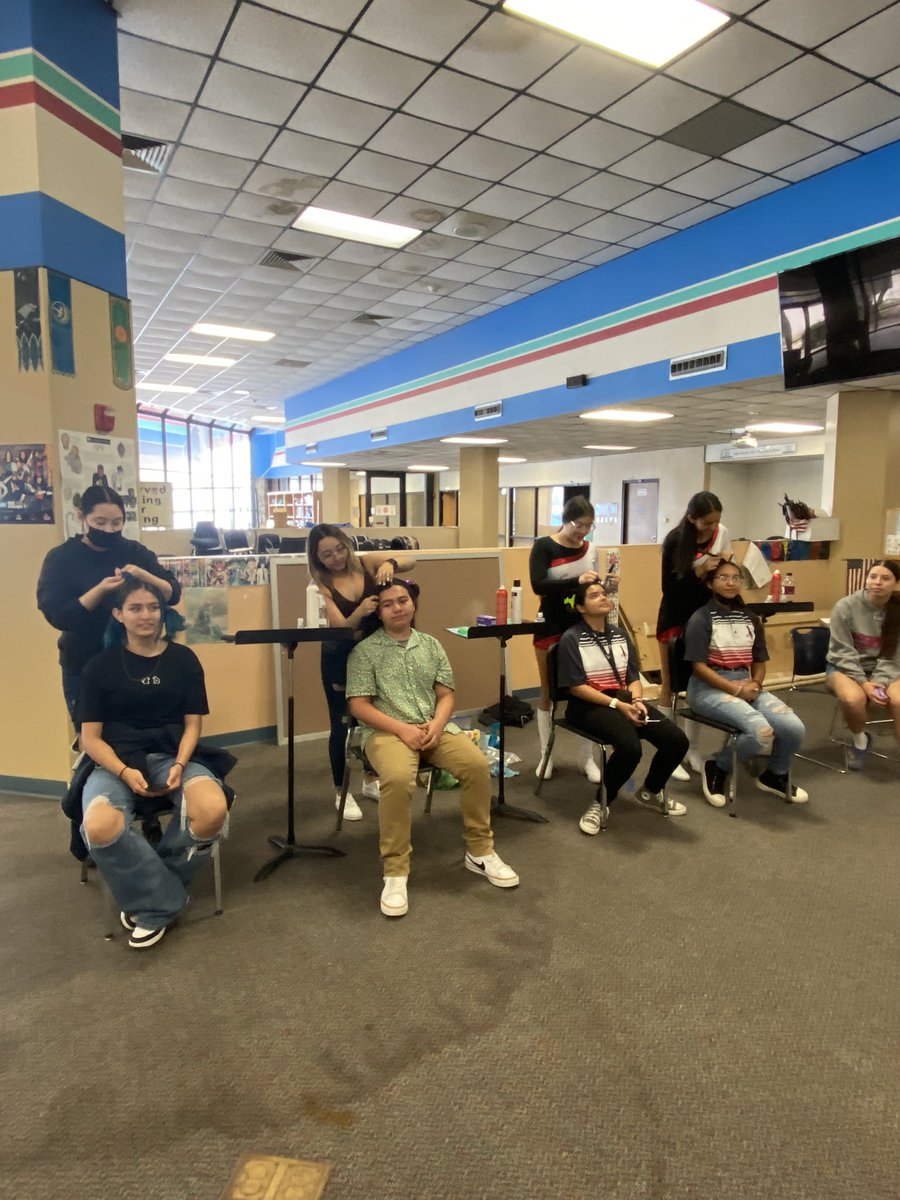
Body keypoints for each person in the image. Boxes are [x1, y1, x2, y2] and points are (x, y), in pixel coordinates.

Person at [346, 579, 519, 917]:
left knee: (475, 764)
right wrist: (402, 730)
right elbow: (359, 706)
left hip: (432, 727)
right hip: (386, 732)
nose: (398, 607)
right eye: (388, 603)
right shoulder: (365, 651)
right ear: (378, 612)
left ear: (413, 605)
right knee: (397, 778)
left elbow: (446, 694)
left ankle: (479, 850)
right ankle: (395, 869)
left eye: (403, 600)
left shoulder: (431, 645)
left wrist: (437, 726)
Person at [77, 576, 230, 949]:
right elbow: (90, 738)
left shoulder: (183, 658)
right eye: (135, 608)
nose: (146, 615)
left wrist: (180, 763)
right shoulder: (99, 666)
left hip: (172, 753)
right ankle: (164, 901)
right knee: (98, 826)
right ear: (118, 614)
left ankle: (152, 893)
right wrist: (124, 771)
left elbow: (193, 723)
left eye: (153, 607)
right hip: (115, 760)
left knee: (212, 809)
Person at [37, 484, 180, 720]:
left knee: (139, 730)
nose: (109, 529)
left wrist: (144, 575)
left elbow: (172, 593)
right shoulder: (61, 558)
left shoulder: (136, 552)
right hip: (83, 661)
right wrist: (100, 590)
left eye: (117, 522)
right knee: (93, 737)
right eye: (100, 522)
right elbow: (59, 616)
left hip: (136, 660)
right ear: (82, 517)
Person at [557, 580, 690, 833]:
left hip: (624, 702)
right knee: (630, 748)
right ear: (581, 607)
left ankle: (651, 790)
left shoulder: (619, 635)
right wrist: (618, 704)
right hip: (586, 707)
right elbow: (575, 687)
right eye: (594, 595)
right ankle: (602, 802)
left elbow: (632, 676)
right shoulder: (571, 638)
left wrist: (638, 701)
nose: (603, 598)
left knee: (676, 741)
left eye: (604, 594)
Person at [307, 524, 415, 821]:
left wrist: (390, 564)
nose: (337, 558)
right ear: (317, 559)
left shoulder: (367, 563)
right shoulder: (321, 585)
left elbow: (412, 560)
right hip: (338, 657)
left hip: (375, 656)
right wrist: (364, 609)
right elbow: (341, 627)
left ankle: (370, 779)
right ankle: (341, 790)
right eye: (327, 555)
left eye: (340, 549)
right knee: (342, 725)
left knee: (377, 719)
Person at [683, 559, 808, 807]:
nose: (731, 582)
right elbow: (698, 667)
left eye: (736, 578)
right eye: (723, 577)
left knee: (794, 728)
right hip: (708, 689)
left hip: (747, 685)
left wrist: (756, 685)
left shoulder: (750, 617)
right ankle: (718, 766)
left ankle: (775, 775)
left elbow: (759, 661)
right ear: (710, 583)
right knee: (760, 732)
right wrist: (736, 689)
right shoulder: (701, 618)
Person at [655, 491, 732, 779]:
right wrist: (698, 570)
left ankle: (692, 749)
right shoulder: (676, 540)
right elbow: (669, 588)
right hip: (675, 618)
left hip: (703, 618)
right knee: (671, 685)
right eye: (706, 523)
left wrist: (722, 566)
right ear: (691, 518)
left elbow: (723, 574)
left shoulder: (721, 532)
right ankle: (668, 748)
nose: (712, 527)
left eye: (716, 522)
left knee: (697, 685)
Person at [529, 495, 601, 783]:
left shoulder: (590, 548)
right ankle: (547, 756)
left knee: (590, 690)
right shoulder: (544, 545)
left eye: (588, 526)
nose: (582, 531)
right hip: (551, 624)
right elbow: (538, 585)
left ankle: (588, 758)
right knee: (548, 692)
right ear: (565, 520)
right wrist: (576, 581)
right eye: (578, 525)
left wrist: (604, 584)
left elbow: (592, 588)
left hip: (583, 625)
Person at [826, 559, 900, 769]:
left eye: (886, 578)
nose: (878, 582)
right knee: (853, 699)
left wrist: (879, 681)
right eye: (873, 576)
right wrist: (864, 683)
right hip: (845, 667)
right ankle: (861, 741)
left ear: (896, 583)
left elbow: (894, 655)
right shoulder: (846, 606)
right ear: (866, 579)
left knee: (898, 701)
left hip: (889, 668)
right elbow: (842, 651)